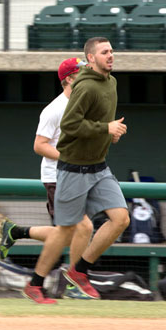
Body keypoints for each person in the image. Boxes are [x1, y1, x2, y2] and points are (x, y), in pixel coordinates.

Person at [22, 37, 129, 305]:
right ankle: (35, 284)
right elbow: (71, 125)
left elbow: (97, 123)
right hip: (73, 169)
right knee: (64, 231)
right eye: (105, 52)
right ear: (91, 58)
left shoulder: (111, 83)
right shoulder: (84, 87)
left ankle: (79, 269)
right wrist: (105, 129)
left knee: (121, 219)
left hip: (99, 166)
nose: (111, 55)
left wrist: (109, 133)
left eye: (112, 51)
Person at [0, 58, 94, 299]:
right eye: (82, 72)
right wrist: (68, 158)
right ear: (70, 79)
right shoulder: (54, 109)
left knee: (68, 233)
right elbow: (39, 145)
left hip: (77, 175)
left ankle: (16, 232)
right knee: (84, 227)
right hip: (57, 176)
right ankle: (71, 285)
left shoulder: (84, 104)